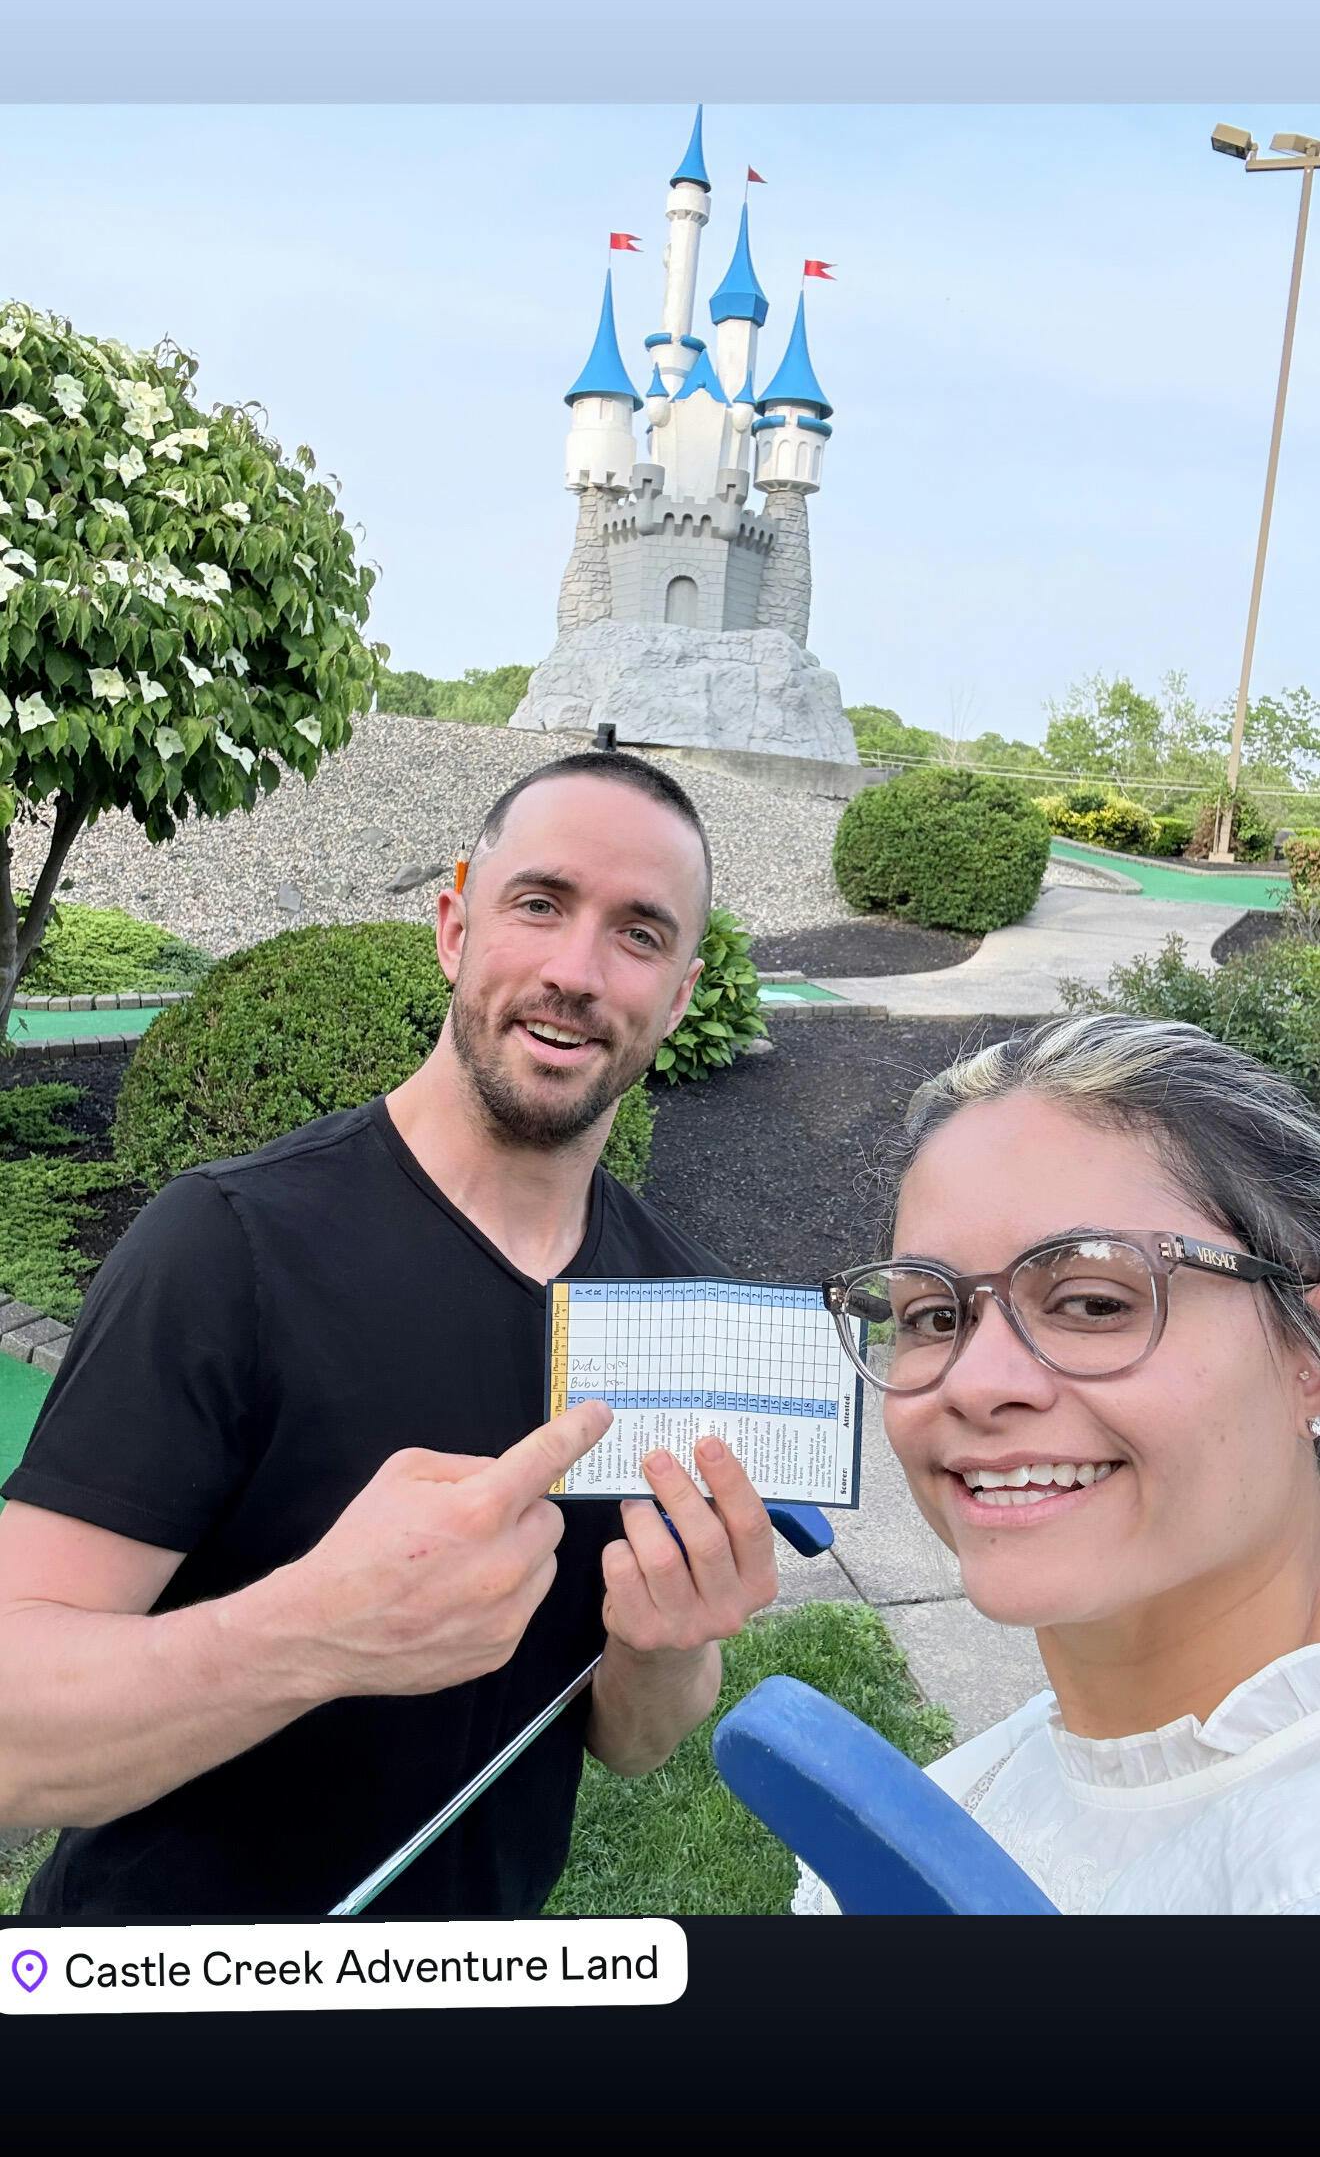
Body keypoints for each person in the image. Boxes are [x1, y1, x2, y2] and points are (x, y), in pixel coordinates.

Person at [0, 749, 778, 1918]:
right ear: (455, 928)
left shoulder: (678, 1309)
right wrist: (313, 1632)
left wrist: (667, 1643)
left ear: (677, 995)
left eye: (639, 934)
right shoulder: (227, 1248)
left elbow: (630, 1742)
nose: (575, 971)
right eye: (541, 904)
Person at [797, 1009, 1320, 1916]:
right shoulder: (970, 1794)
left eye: (1092, 1301)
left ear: (1306, 1353)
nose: (974, 1383)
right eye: (934, 1316)